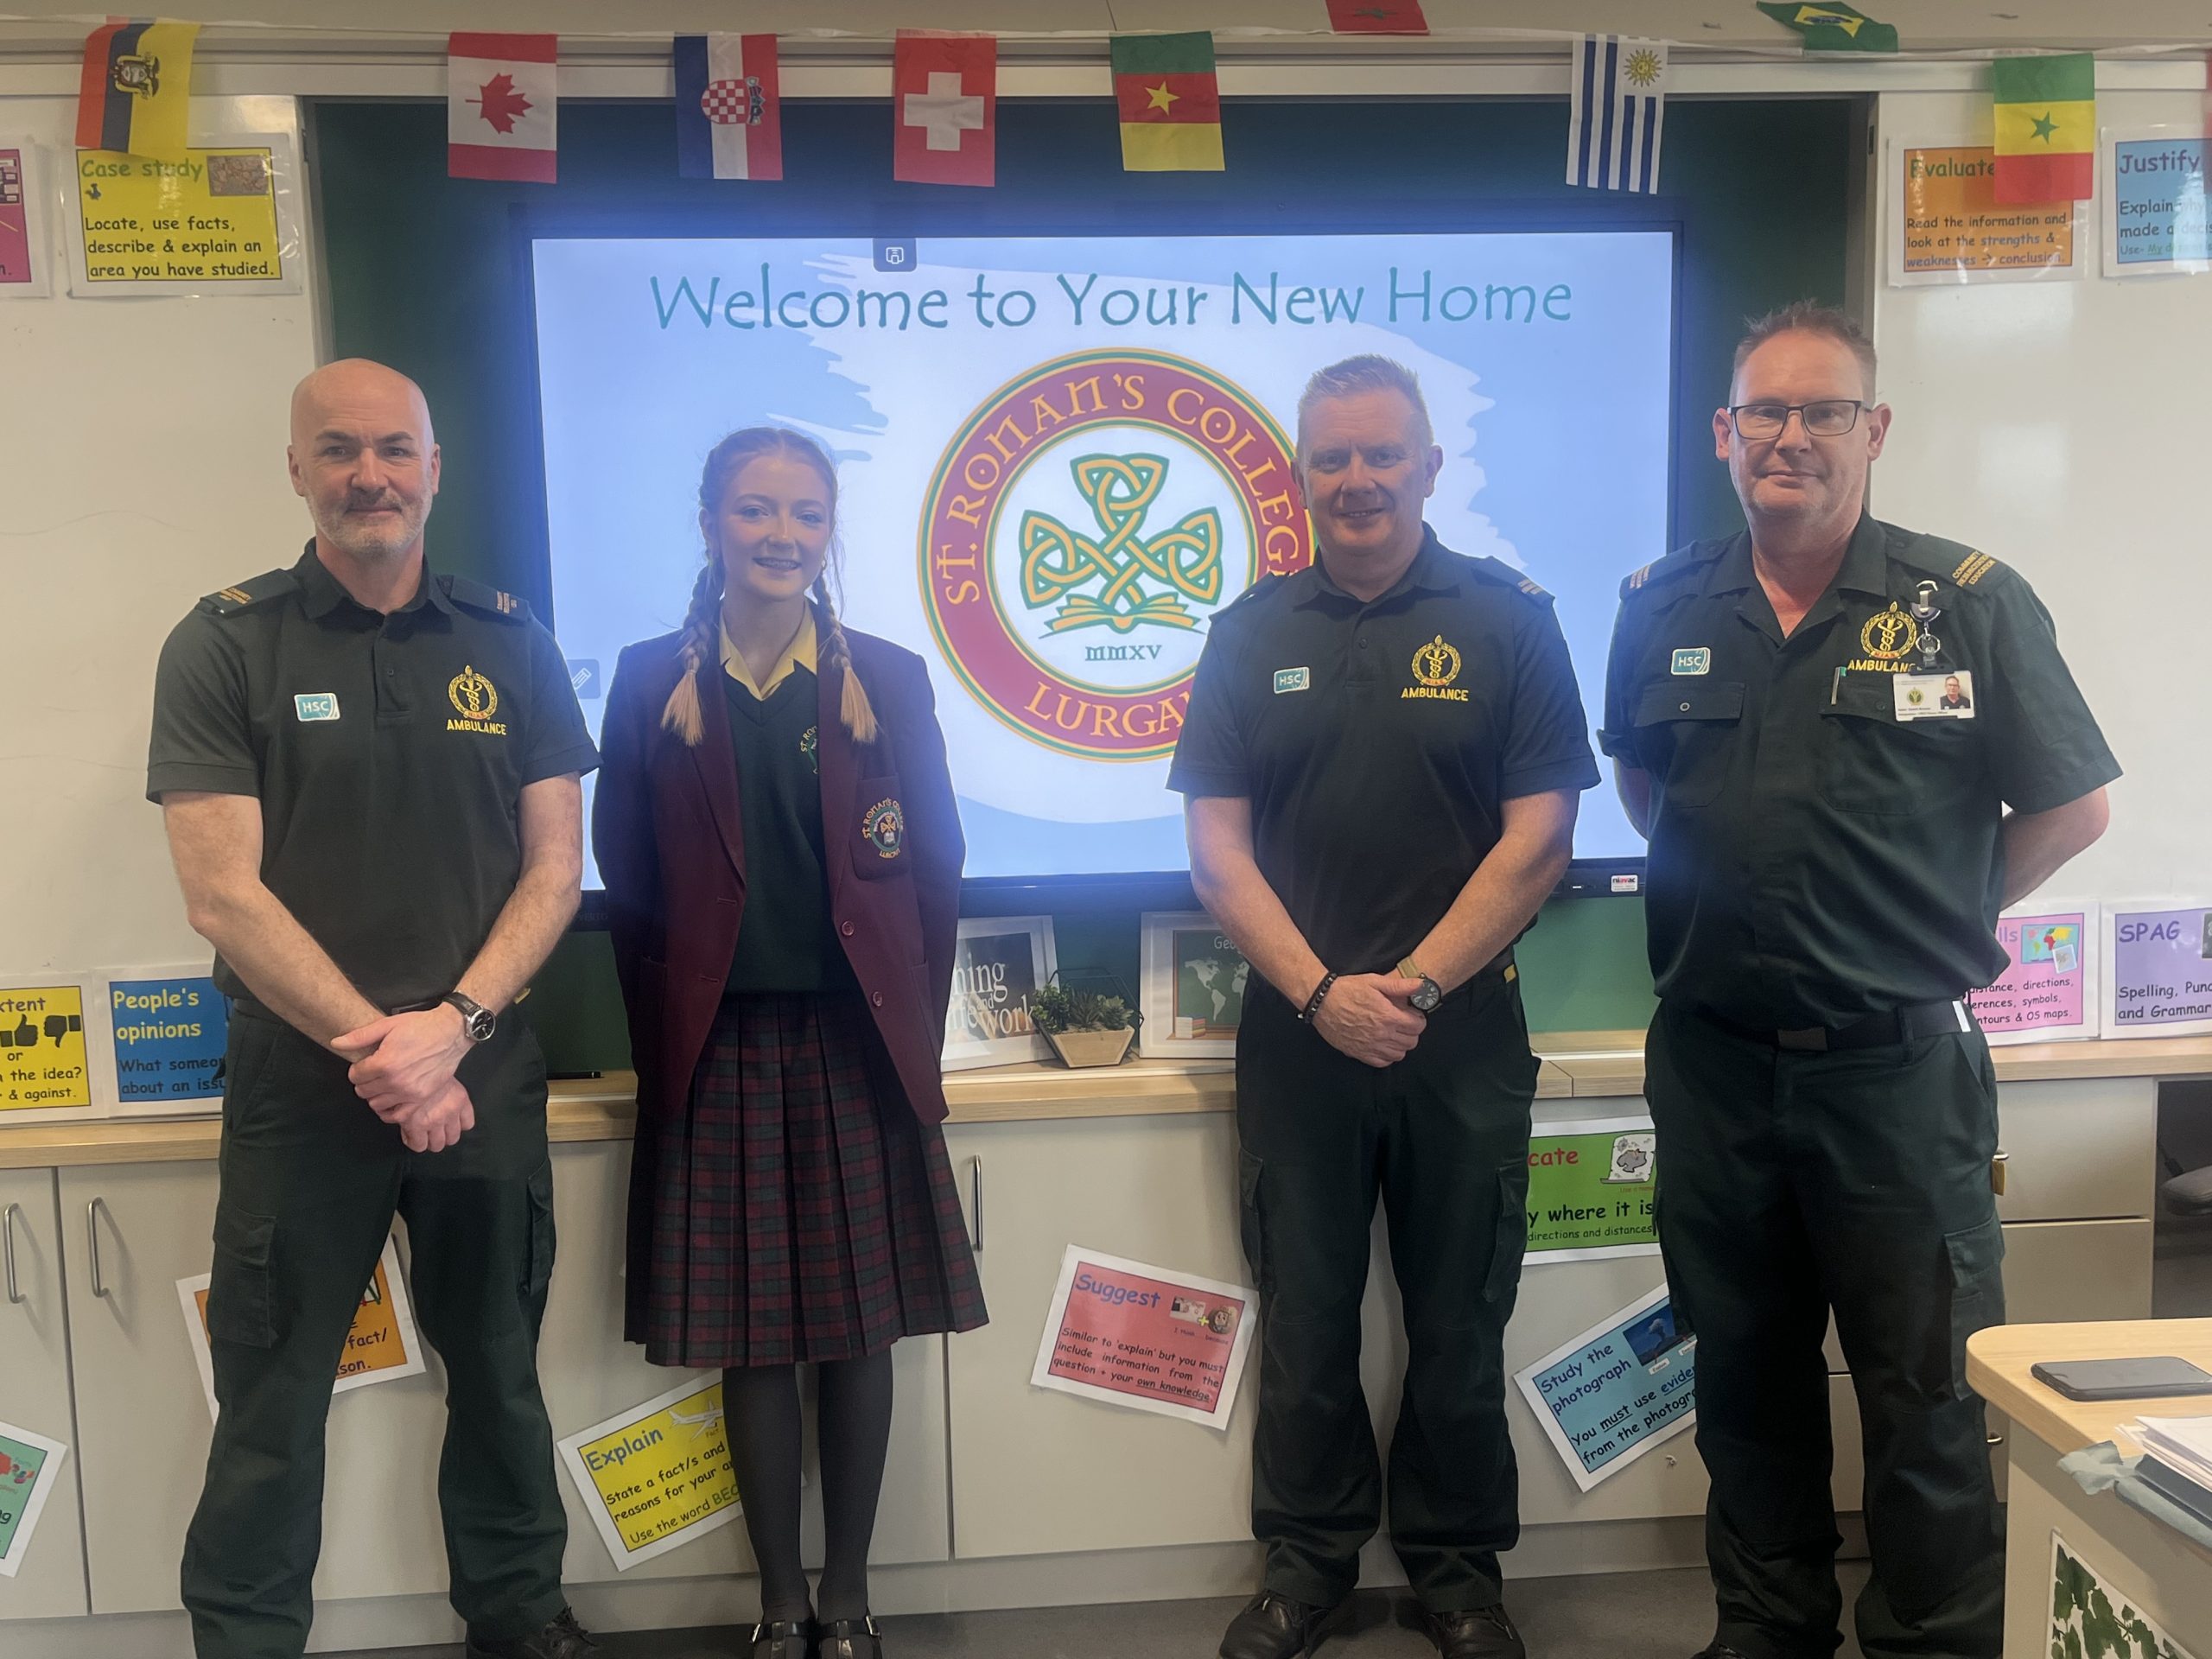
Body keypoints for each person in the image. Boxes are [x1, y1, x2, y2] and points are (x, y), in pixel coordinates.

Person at [1600, 302, 2117, 1659]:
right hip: (1713, 1066)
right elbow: (1648, 791)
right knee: (1743, 1380)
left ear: (1872, 432)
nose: (1790, 437)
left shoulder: (1971, 604)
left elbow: (2072, 809)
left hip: (1897, 1075)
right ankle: (1766, 1631)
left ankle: (1934, 1640)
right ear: (1724, 435)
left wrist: (1934, 919)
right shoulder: (1659, 608)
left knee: (1928, 1392)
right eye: (1764, 412)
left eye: (1823, 412)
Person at [148, 359, 601, 1659]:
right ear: (297, 468)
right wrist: (390, 1051)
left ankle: (520, 1623)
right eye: (338, 450)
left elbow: (556, 868)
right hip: (304, 1095)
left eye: (396, 449)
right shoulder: (224, 641)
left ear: (436, 467)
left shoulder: (510, 640)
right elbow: (222, 896)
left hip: (486, 1079)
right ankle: (244, 1643)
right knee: (271, 1398)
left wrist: (450, 1029)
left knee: (503, 1383)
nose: (369, 476)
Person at [1170, 356, 1599, 1659]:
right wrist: (1319, 993)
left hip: (1459, 1036)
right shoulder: (1249, 633)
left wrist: (1407, 990)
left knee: (1460, 1313)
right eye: (1330, 458)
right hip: (1298, 1038)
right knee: (1307, 1318)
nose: (1356, 480)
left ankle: (1460, 1576)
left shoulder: (1510, 620)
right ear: (1301, 472)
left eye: (1381, 454)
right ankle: (1305, 1568)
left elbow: (1541, 841)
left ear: (1428, 466)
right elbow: (1215, 850)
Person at [594, 426, 986, 1659]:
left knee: (857, 1331)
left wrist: (908, 1046)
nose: (780, 535)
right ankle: (778, 1601)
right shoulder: (653, 674)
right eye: (756, 511)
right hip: (717, 1055)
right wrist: (669, 1030)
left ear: (829, 535)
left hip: (854, 1049)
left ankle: (852, 1596)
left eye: (806, 516)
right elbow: (626, 875)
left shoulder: (886, 676)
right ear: (710, 522)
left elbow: (935, 871)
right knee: (751, 1340)